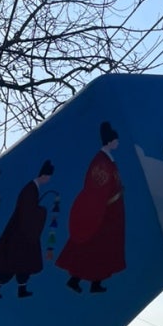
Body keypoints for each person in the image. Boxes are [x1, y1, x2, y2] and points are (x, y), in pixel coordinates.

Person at [56, 120, 126, 293]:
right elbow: (97, 188)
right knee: (94, 247)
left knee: (102, 249)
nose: (118, 143)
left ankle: (93, 283)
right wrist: (102, 207)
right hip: (104, 213)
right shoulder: (101, 161)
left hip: (111, 212)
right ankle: (77, 279)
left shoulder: (108, 159)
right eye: (116, 140)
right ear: (110, 141)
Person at [0, 161, 54, 298]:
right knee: (11, 264)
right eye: (48, 177)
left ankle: (21, 290)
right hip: (21, 235)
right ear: (43, 176)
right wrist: (41, 211)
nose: (48, 180)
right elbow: (27, 211)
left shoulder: (33, 189)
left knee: (23, 264)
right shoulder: (30, 189)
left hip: (25, 234)